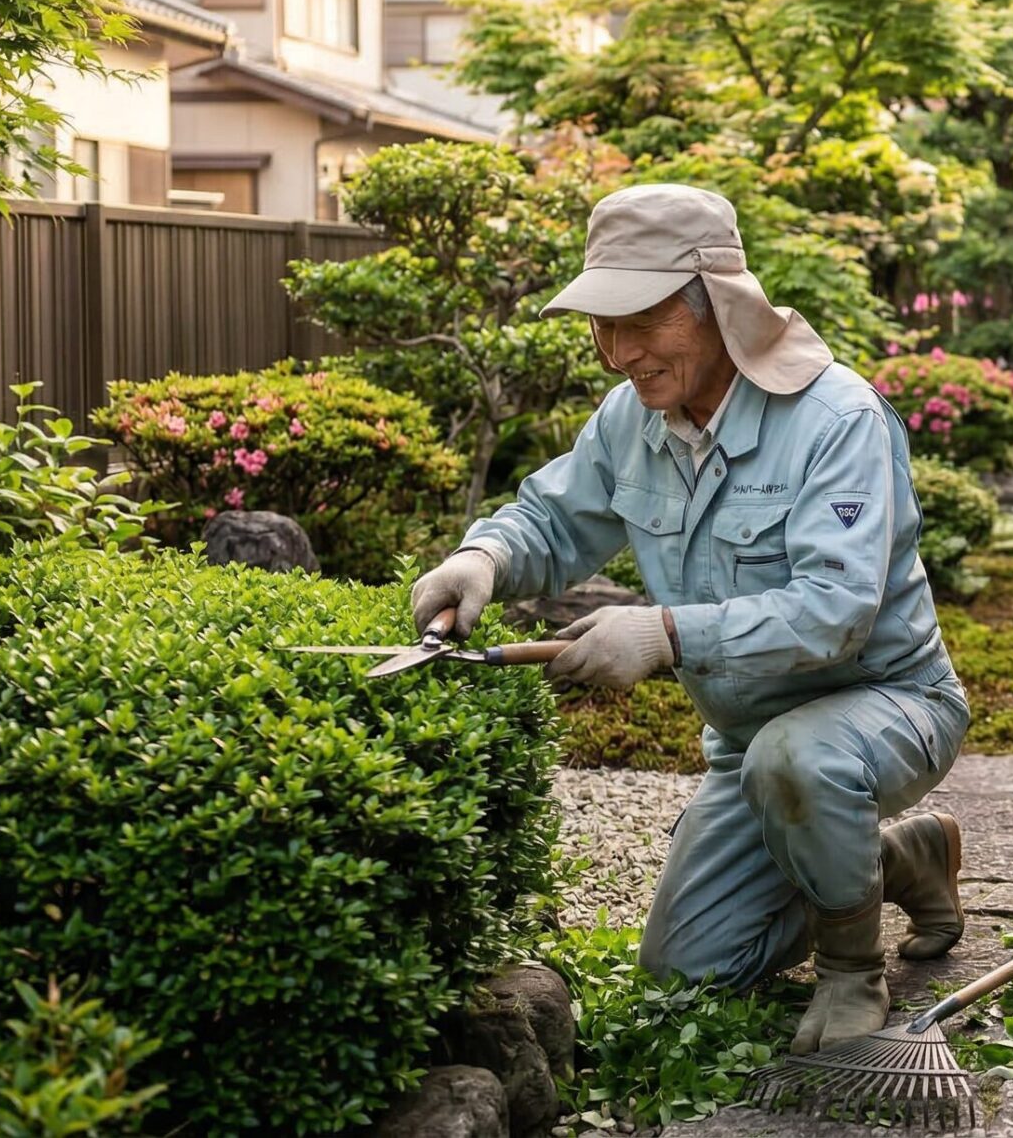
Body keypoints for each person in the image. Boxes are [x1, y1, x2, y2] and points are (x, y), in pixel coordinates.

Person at [409, 184, 972, 1054]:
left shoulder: (836, 420)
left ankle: (853, 967)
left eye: (641, 319)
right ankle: (897, 860)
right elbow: (554, 518)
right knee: (690, 966)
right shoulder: (633, 419)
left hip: (889, 703)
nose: (617, 351)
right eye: (602, 323)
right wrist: (481, 558)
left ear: (719, 303)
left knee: (804, 757)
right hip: (752, 748)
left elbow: (836, 613)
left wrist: (665, 634)